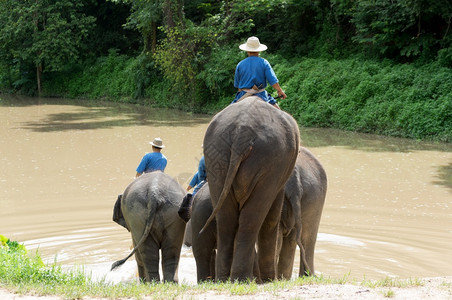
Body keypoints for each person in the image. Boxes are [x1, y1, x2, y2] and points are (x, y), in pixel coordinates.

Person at [232, 36, 286, 108]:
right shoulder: (264, 62)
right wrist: (280, 91)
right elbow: (273, 81)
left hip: (243, 95)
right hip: (261, 95)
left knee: (228, 113)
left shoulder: (240, 64)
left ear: (247, 51)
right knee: (279, 114)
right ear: (259, 50)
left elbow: (238, 87)